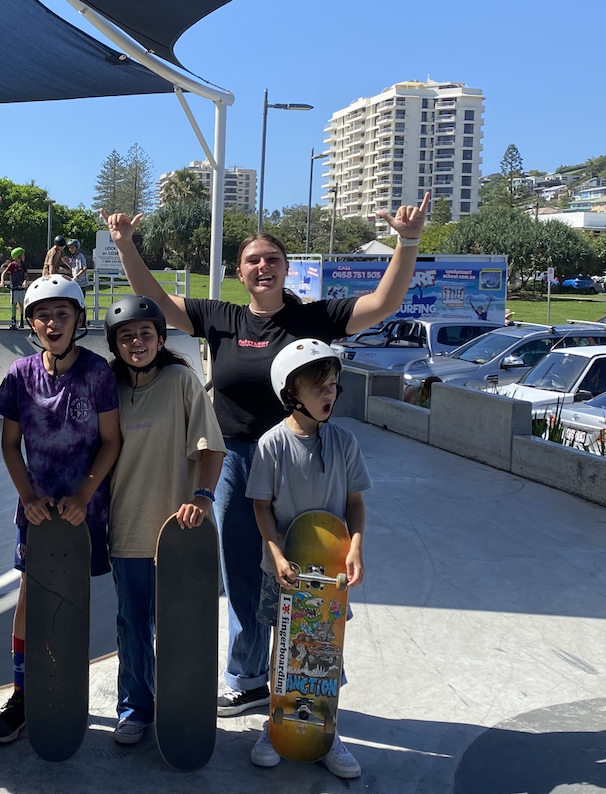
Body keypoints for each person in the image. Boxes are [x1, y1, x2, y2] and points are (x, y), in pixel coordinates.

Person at [103, 194, 428, 717]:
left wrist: (407, 242)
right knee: (242, 573)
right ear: (239, 271)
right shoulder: (222, 318)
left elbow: (383, 304)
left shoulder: (314, 318)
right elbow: (158, 304)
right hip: (233, 456)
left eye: (272, 259)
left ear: (286, 269)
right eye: (252, 260)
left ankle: (303, 679)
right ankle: (248, 675)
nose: (262, 267)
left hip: (296, 455)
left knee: (302, 566)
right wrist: (125, 246)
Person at [0, 275, 121, 743]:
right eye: (43, 314)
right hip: (38, 512)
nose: (52, 322)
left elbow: (111, 441)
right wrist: (27, 496)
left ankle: (63, 684)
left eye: (63, 313)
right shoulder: (20, 374)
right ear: (31, 322)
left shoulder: (98, 373)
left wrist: (84, 495)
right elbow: (9, 445)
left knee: (71, 602)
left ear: (78, 320)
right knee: (30, 598)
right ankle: (24, 692)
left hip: (85, 511)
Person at [104, 295, 226, 744]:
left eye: (145, 334)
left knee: (180, 627)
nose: (137, 342)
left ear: (160, 338)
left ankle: (179, 704)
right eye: (127, 336)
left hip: (179, 532)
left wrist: (204, 496)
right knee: (132, 625)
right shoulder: (109, 388)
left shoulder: (181, 380)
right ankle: (135, 708)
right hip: (128, 528)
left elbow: (212, 447)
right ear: (115, 344)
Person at [245, 339, 369, 777]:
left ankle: (327, 734)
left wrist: (355, 546)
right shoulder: (271, 445)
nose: (329, 394)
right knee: (286, 654)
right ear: (291, 392)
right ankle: (276, 728)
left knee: (325, 651)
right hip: (284, 571)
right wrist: (276, 554)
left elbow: (355, 502)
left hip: (329, 572)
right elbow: (261, 506)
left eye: (333, 385)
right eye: (319, 387)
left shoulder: (345, 442)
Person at [0, 247, 29, 328]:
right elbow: (4, 273)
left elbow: (26, 275)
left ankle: (22, 320)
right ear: (18, 256)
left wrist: (25, 282)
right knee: (14, 304)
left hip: (21, 288)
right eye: (22, 255)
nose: (24, 257)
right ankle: (13, 320)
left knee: (22, 304)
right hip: (14, 287)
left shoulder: (23, 266)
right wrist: (2, 281)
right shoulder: (12, 265)